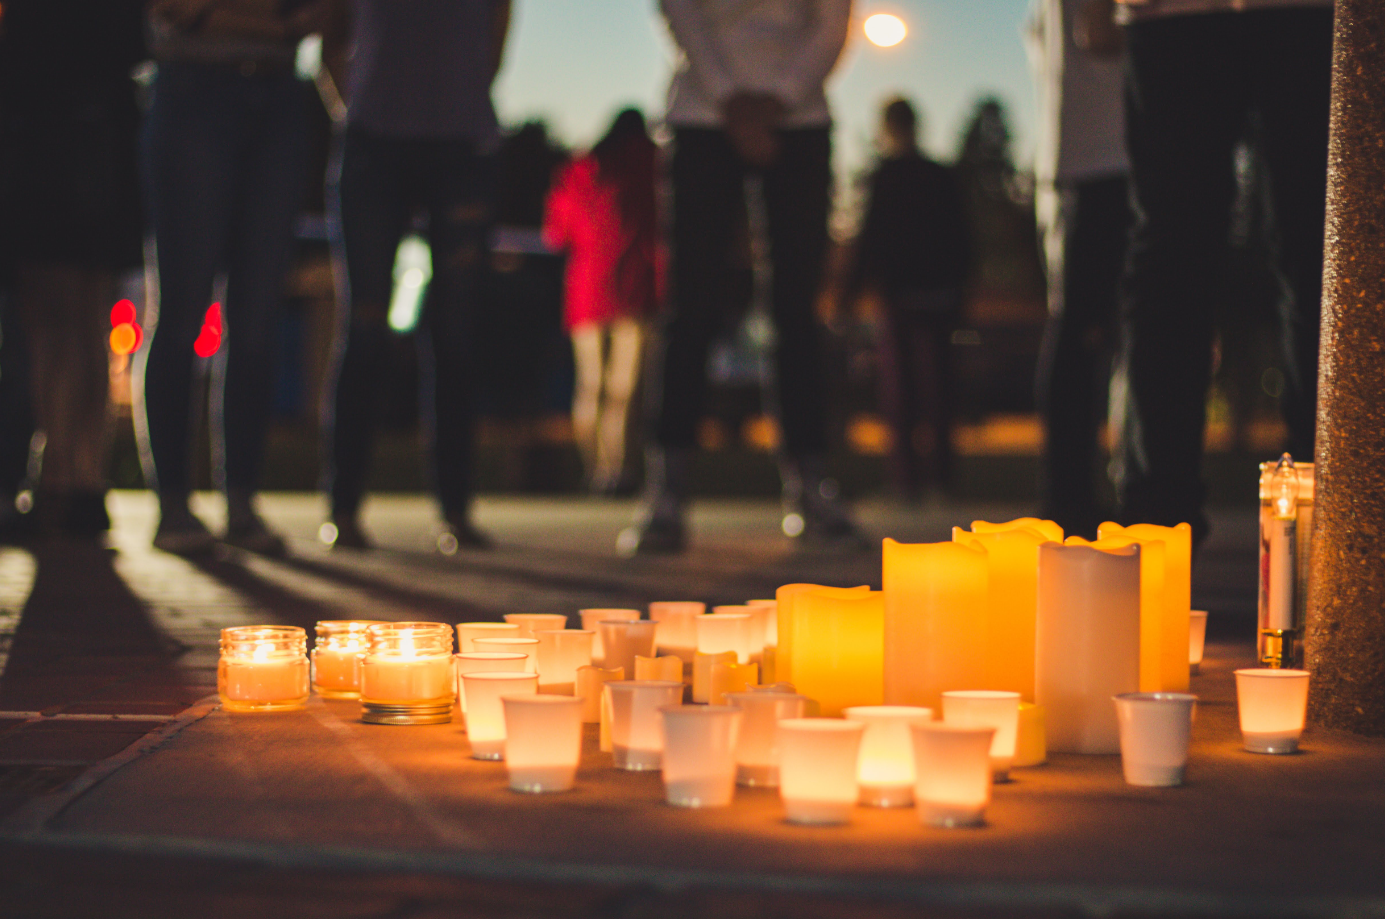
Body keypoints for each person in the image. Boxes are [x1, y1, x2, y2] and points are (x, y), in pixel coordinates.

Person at [623, 0, 857, 554]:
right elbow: (681, 11)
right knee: (691, 306)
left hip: (798, 119)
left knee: (796, 311)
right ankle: (666, 489)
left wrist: (780, 96)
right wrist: (730, 96)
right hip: (704, 115)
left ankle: (809, 485)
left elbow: (832, 19)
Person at [1111, 0, 1332, 548]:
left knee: (1324, 253)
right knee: (1170, 253)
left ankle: (1332, 501)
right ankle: (1156, 519)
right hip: (1173, 15)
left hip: (1312, 13)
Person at [137, 0, 329, 555]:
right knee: (181, 309)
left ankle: (241, 500)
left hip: (279, 99)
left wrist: (225, 15)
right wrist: (272, 20)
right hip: (193, 92)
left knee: (257, 320)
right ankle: (174, 503)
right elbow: (177, 11)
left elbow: (316, 16)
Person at [318, 0, 511, 553]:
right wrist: (354, 104)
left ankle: (455, 508)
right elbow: (331, 30)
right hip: (375, 141)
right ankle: (344, 505)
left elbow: (497, 23)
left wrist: (464, 95)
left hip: (461, 142)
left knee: (455, 333)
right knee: (365, 324)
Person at [0, 0, 146, 541]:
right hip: (104, 145)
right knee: (87, 323)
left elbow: (16, 62)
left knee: (51, 327)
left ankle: (61, 477)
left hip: (47, 144)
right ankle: (86, 476)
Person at [1025, 0, 1132, 539]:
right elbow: (1100, 32)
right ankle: (1071, 499)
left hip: (1087, 153)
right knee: (1084, 330)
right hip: (1103, 155)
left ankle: (1079, 493)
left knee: (1088, 329)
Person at [841, 97, 969, 503]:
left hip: (903, 295)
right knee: (935, 390)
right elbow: (963, 237)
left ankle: (910, 482)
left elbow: (870, 237)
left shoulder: (890, 176)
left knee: (905, 391)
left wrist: (849, 294)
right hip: (932, 294)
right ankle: (935, 480)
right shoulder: (938, 175)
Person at [543, 109, 661, 496]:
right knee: (625, 389)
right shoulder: (651, 167)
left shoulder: (578, 172)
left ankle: (595, 469)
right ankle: (620, 470)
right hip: (634, 290)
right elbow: (660, 228)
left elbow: (556, 235)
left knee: (590, 386)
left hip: (586, 292)